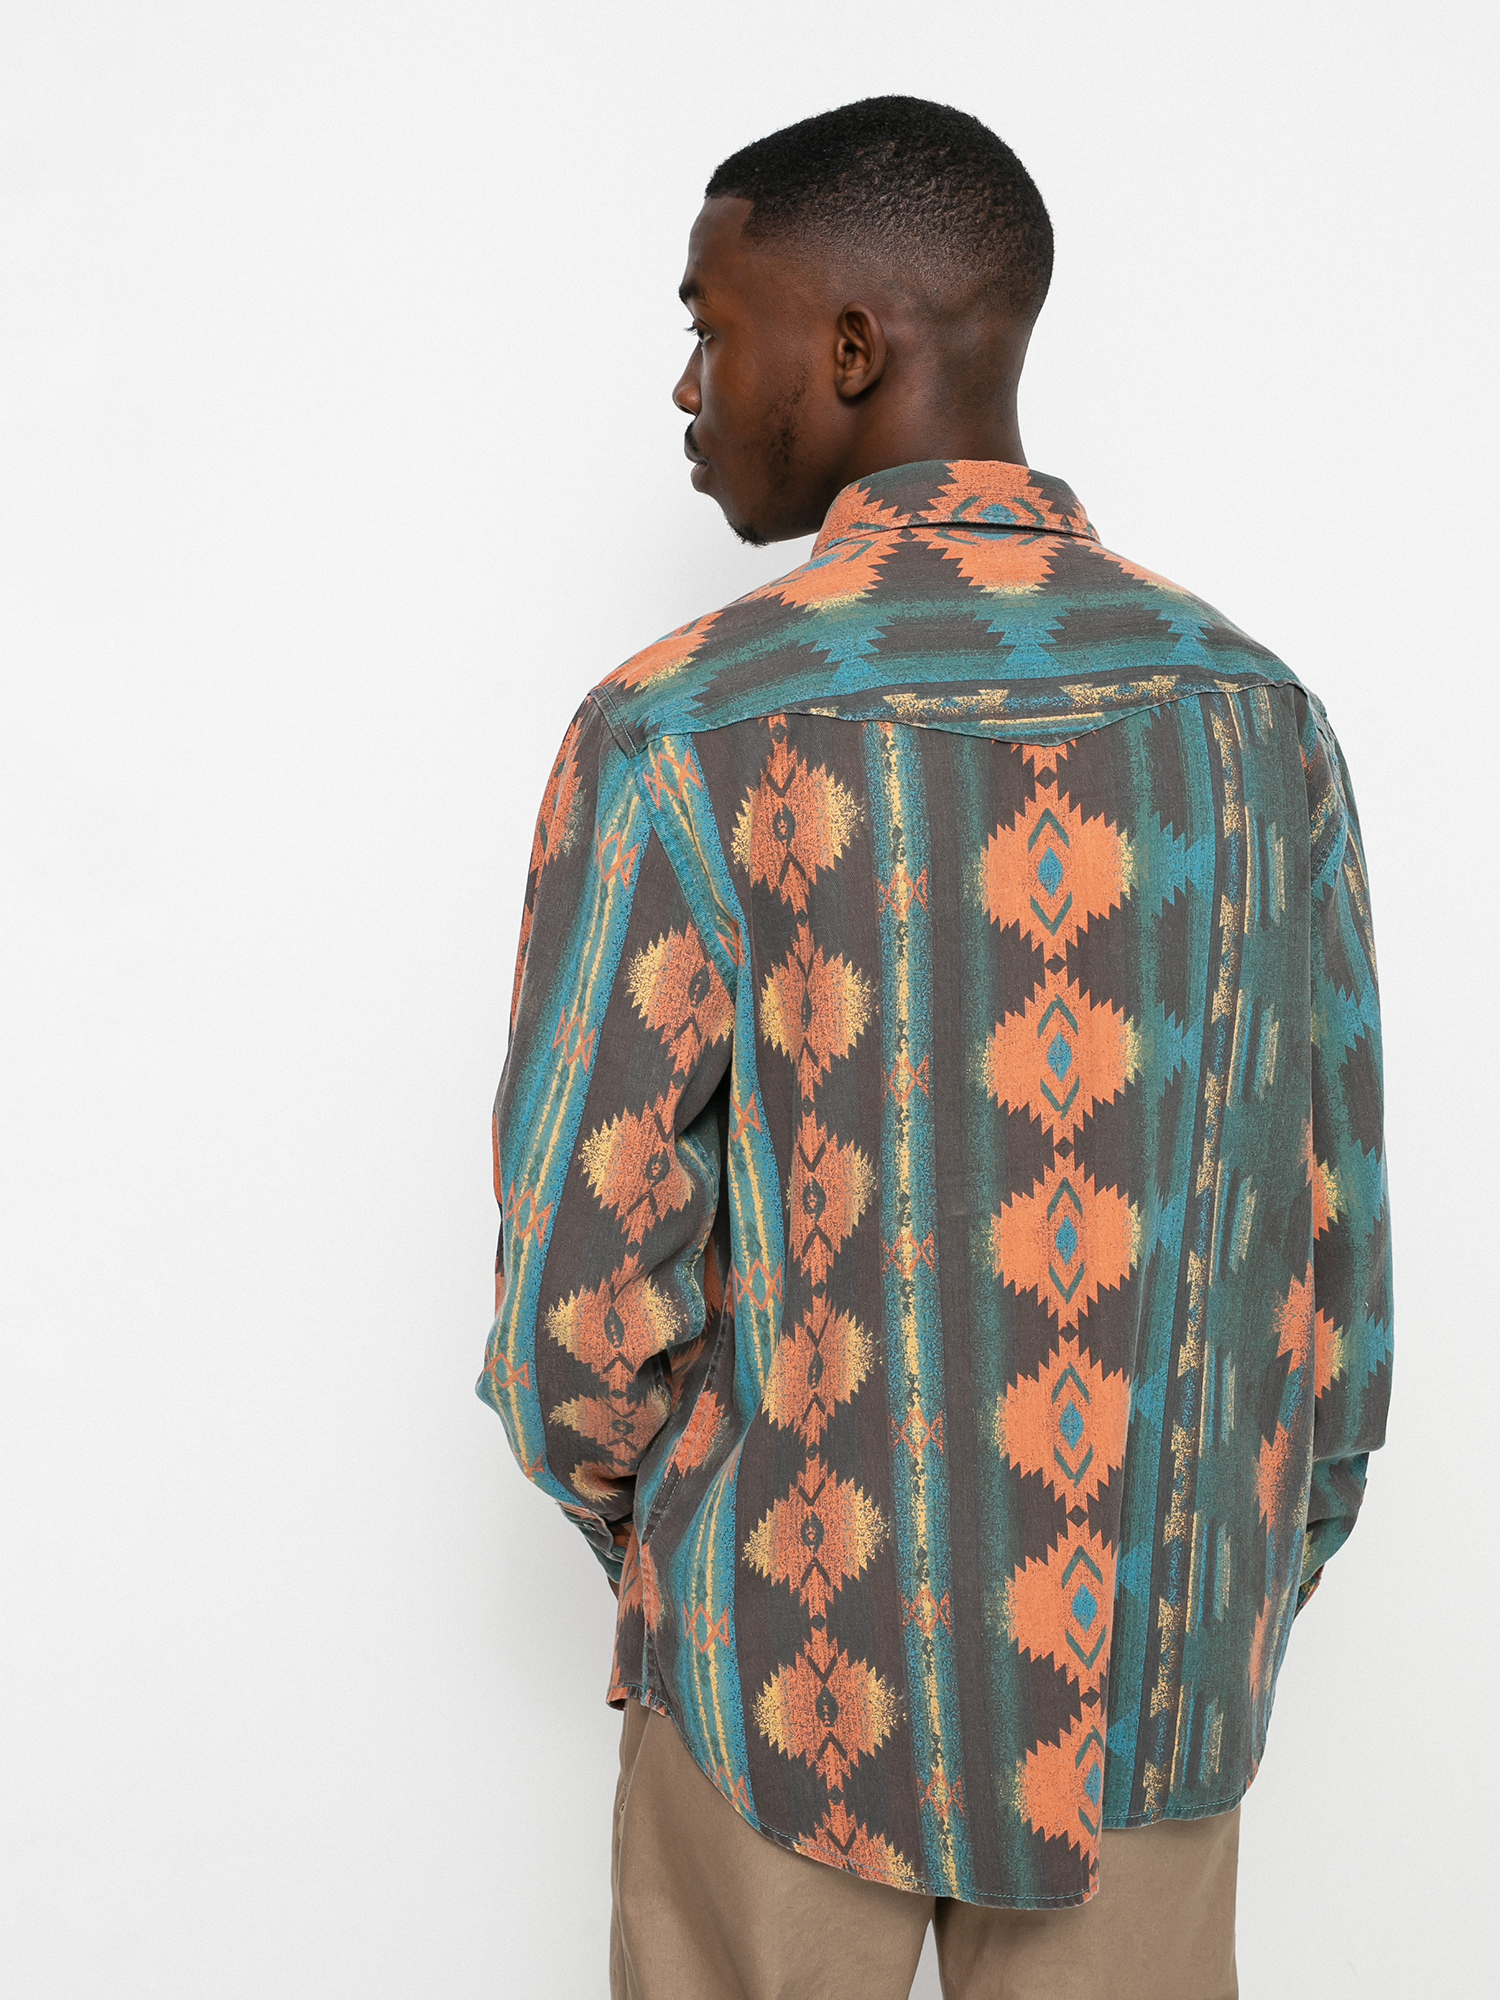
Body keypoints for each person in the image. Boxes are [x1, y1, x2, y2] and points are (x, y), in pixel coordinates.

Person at [478, 96, 1392, 2000]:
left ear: (848, 348)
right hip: (1157, 1671)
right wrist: (1229, 1568)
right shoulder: (1256, 718)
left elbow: (579, 1294)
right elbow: (1336, 1251)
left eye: (710, 327)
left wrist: (698, 1555)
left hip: (781, 1677)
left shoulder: (682, 727)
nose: (686, 388)